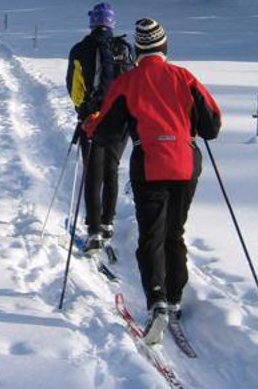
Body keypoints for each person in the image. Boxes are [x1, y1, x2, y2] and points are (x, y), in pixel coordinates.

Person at [83, 17, 221, 345]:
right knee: (175, 232)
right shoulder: (184, 77)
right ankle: (174, 297)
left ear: (139, 50)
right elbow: (212, 125)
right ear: (164, 46)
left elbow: (106, 132)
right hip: (186, 163)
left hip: (150, 163)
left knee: (151, 235)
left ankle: (157, 299)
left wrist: (89, 124)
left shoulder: (129, 82)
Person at [66, 2, 134, 254]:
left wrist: (82, 111)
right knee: (111, 169)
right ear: (112, 23)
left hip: (92, 119)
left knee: (93, 173)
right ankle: (108, 222)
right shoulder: (124, 49)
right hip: (121, 121)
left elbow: (74, 86)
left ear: (92, 23)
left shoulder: (80, 49)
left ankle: (94, 229)